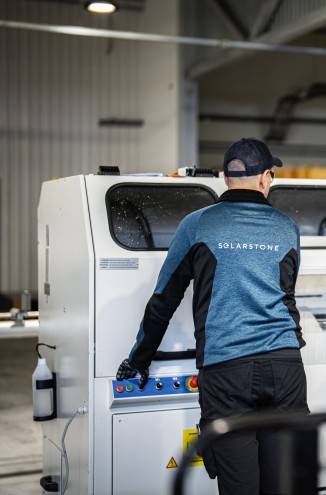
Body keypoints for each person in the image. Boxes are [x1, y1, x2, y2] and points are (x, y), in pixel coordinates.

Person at [116, 137, 309, 495]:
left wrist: (139, 360)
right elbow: (287, 298)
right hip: (285, 369)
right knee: (285, 483)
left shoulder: (197, 225)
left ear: (225, 177)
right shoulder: (287, 228)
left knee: (239, 485)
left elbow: (164, 299)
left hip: (226, 371)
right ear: (266, 177)